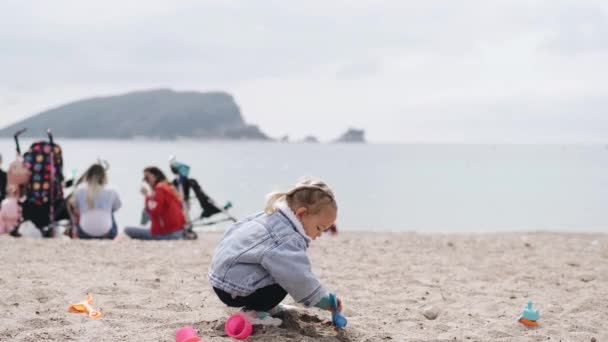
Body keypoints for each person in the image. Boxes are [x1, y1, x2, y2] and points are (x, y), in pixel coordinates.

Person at [208, 178, 342, 326]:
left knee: (276, 266)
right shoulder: (286, 238)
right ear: (301, 214)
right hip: (235, 289)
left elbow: (234, 231)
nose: (319, 235)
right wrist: (323, 300)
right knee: (285, 276)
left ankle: (266, 307)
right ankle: (254, 312)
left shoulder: (270, 217)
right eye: (319, 228)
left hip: (221, 279)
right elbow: (298, 277)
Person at [124, 167, 185, 240]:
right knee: (144, 223)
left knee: (127, 229)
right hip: (178, 231)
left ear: (156, 177)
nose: (145, 180)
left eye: (147, 177)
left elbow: (154, 212)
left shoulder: (160, 189)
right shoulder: (169, 187)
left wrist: (147, 196)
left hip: (166, 234)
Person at [71, 164, 121, 239]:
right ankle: (104, 232)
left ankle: (74, 230)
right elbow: (117, 207)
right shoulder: (112, 190)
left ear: (88, 175)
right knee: (109, 211)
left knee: (83, 212)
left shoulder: (80, 189)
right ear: (104, 176)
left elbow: (75, 207)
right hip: (106, 233)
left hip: (84, 233)